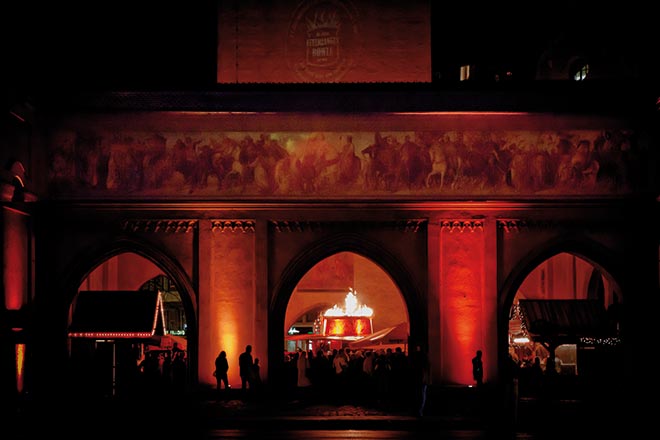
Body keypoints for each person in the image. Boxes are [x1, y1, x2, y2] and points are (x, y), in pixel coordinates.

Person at [410, 344, 431, 417]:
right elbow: (426, 368)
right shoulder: (424, 357)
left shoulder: (416, 358)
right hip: (421, 378)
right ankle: (420, 410)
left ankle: (419, 410)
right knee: (422, 394)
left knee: (419, 394)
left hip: (418, 378)